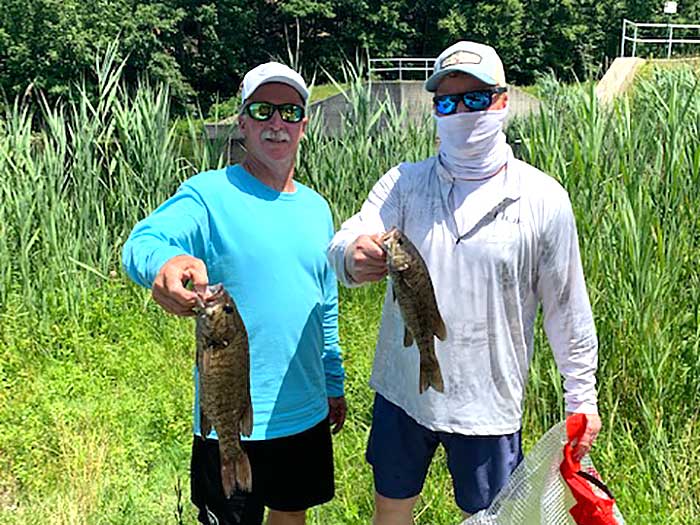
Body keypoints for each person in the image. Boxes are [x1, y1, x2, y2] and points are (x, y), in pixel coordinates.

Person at [327, 41, 602, 524]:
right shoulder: (404, 184)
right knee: (390, 510)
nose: (459, 112)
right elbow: (348, 236)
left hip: (488, 400)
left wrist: (582, 398)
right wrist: (352, 255)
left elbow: (567, 308)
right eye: (446, 102)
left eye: (474, 98)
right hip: (403, 389)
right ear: (433, 109)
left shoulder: (543, 199)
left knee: (490, 517)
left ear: (502, 101)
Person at [122, 62, 346, 525]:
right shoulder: (208, 194)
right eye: (263, 110)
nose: (276, 123)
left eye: (289, 111)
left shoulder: (316, 208)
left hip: (303, 411)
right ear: (242, 121)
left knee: (291, 516)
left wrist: (333, 380)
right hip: (227, 418)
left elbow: (323, 304)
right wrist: (163, 266)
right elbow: (142, 242)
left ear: (305, 123)